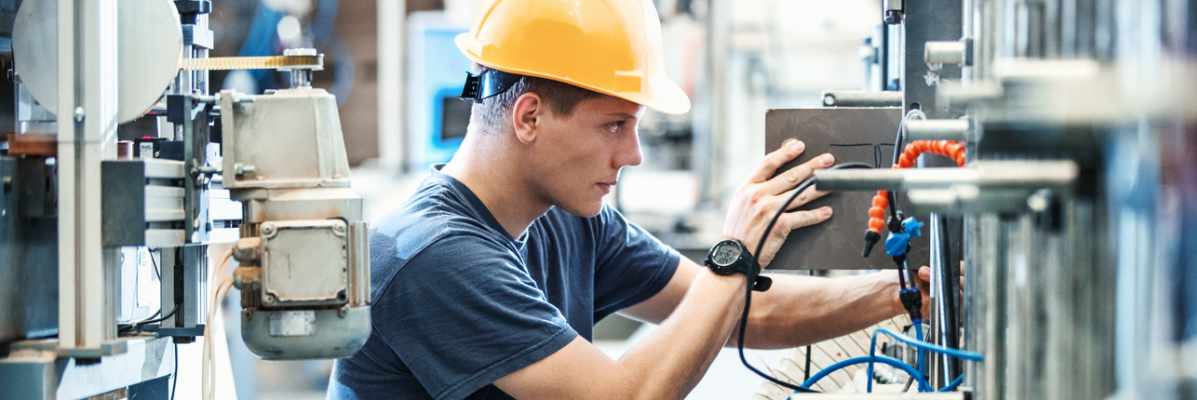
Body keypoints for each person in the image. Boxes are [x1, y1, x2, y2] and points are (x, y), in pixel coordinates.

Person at [328, 0, 929, 398]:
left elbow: (744, 311)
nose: (633, 153)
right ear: (529, 116)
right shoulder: (434, 256)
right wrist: (734, 253)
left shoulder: (567, 217)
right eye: (614, 125)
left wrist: (908, 290)